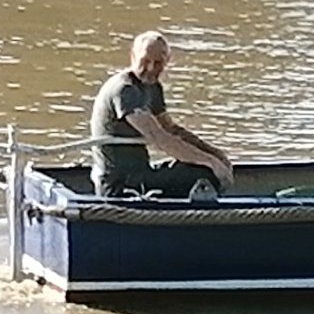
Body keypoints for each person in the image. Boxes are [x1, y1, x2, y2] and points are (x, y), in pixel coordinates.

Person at [90, 31, 234, 199]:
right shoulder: (125, 90)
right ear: (133, 56)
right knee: (205, 173)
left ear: (167, 62)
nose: (151, 69)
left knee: (208, 165)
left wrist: (215, 154)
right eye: (145, 61)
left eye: (158, 63)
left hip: (141, 171)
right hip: (121, 183)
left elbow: (171, 129)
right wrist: (210, 162)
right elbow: (159, 138)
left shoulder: (153, 87)